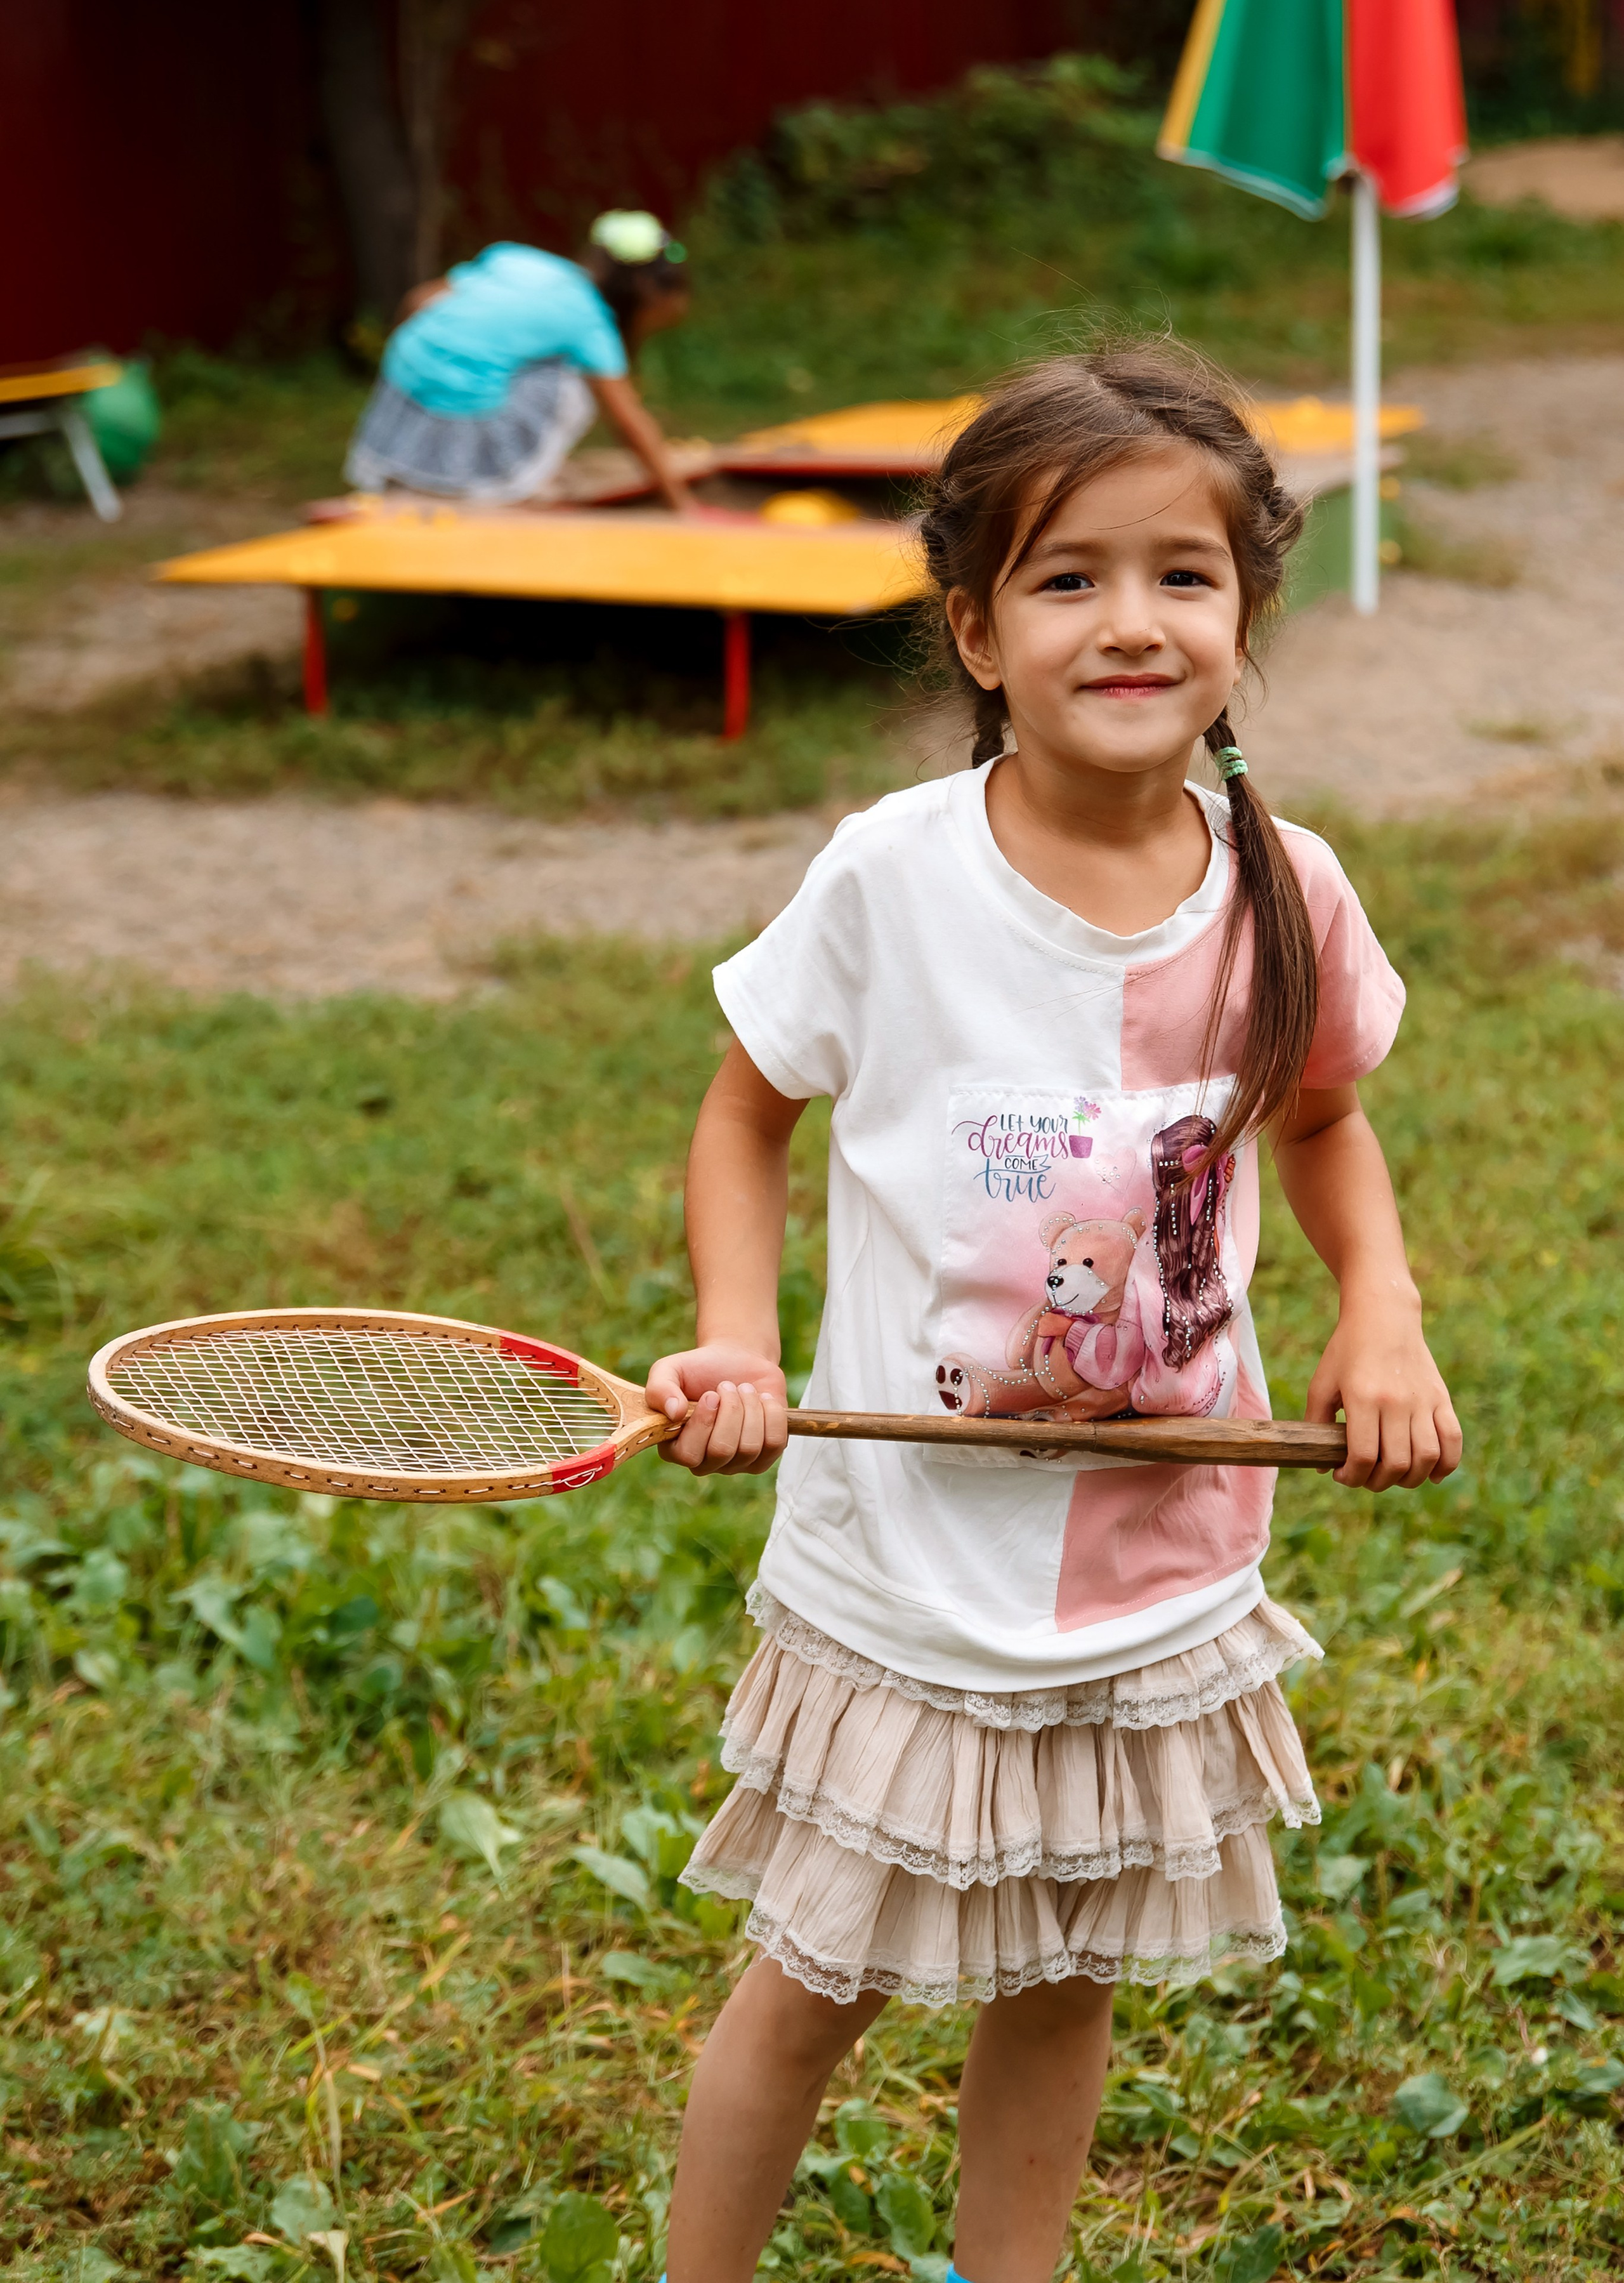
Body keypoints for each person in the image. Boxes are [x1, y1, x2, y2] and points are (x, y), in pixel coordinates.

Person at [643, 345, 1463, 2283]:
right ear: (976, 632)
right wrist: (736, 1338)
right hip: (912, 1565)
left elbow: (1324, 1121)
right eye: (1067, 576)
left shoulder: (1286, 889)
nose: (1131, 620)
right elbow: (745, 1116)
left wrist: (1385, 1312)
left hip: (1150, 1558)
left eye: (1183, 574)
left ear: (1245, 616)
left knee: (1066, 1970)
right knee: (815, 1980)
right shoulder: (892, 875)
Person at [344, 210, 696, 507]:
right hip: (464, 413)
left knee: (523, 360)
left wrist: (413, 363)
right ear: (644, 290)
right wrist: (681, 504)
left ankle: (414, 469)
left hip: (399, 390)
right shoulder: (591, 322)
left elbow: (419, 301)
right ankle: (508, 479)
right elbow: (628, 421)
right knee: (572, 381)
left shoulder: (515, 259)